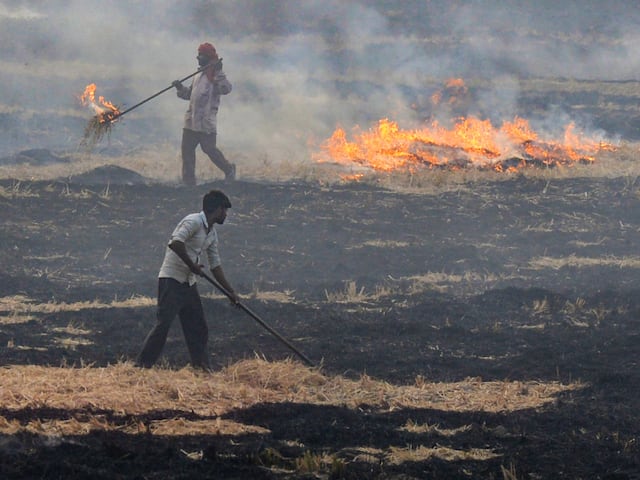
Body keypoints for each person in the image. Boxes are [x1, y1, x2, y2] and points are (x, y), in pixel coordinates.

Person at [136, 189, 239, 370]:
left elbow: (215, 266)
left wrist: (230, 292)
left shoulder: (211, 233)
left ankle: (201, 367)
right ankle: (142, 366)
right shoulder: (193, 221)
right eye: (224, 210)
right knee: (163, 325)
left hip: (188, 283)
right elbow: (175, 242)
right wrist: (192, 265)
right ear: (216, 210)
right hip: (172, 279)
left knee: (198, 327)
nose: (226, 214)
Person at [172, 42, 235, 186]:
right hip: (191, 121)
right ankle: (189, 182)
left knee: (209, 149)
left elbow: (226, 89)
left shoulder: (214, 76)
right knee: (187, 151)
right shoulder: (198, 75)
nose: (198, 57)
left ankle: (229, 169)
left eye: (201, 55)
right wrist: (180, 87)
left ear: (208, 57)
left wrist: (219, 72)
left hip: (205, 122)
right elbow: (190, 95)